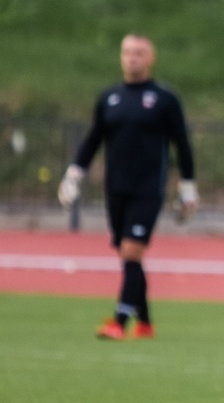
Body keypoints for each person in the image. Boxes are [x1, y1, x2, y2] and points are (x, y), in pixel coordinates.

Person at [57, 34, 197, 340]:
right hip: (116, 187)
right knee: (126, 254)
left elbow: (182, 145)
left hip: (148, 188)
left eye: (139, 53)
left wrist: (187, 187)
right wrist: (74, 174)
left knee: (132, 251)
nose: (132, 58)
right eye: (128, 52)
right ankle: (145, 323)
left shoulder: (163, 99)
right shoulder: (110, 98)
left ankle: (119, 322)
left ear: (151, 59)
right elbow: (93, 139)